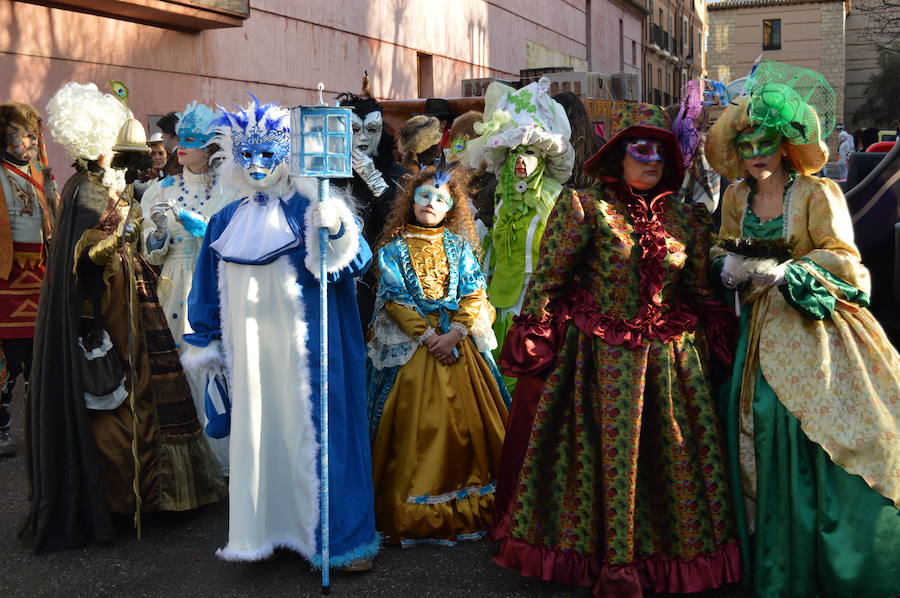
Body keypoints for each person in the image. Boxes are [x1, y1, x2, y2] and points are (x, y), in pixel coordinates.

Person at [492, 102, 740, 597]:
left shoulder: (687, 217)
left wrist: (720, 330)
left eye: (660, 153)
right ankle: (600, 559)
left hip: (669, 363)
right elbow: (549, 278)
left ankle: (665, 559)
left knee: (670, 453)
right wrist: (536, 332)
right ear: (618, 156)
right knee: (599, 458)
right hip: (598, 361)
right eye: (640, 150)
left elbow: (697, 289)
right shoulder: (586, 206)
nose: (651, 161)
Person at [705, 61, 900, 598]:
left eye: (765, 143)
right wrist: (729, 265)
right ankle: (771, 551)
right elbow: (724, 244)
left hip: (815, 325)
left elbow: (843, 259)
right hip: (758, 328)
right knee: (754, 417)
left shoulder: (819, 194)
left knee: (807, 425)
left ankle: (823, 557)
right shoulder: (737, 198)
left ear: (787, 143)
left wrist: (789, 269)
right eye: (746, 147)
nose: (756, 155)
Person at [22, 82, 226, 553]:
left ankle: (160, 494)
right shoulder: (87, 192)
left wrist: (131, 226)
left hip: (133, 300)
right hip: (112, 310)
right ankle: (121, 498)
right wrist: (128, 227)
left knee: (156, 388)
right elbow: (87, 256)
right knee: (121, 399)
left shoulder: (100, 188)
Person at [183, 97, 379, 569]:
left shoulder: (315, 207)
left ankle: (338, 541)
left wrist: (337, 230)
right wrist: (207, 342)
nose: (256, 165)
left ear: (286, 156)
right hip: (251, 355)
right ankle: (269, 533)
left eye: (267, 154)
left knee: (317, 437)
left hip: (310, 355)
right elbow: (206, 288)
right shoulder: (225, 221)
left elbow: (359, 263)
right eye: (246, 155)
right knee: (262, 435)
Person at [367, 163, 510, 547]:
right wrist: (430, 337)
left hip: (457, 341)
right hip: (415, 344)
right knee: (413, 426)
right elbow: (395, 298)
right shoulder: (392, 249)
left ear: (452, 208)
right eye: (424, 196)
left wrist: (457, 332)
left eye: (440, 199)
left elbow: (474, 291)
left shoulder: (460, 247)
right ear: (411, 200)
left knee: (472, 425)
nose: (431, 204)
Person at [466, 78, 574, 393]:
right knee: (500, 379)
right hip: (502, 304)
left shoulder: (558, 198)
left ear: (544, 156)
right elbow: (496, 252)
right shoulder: (501, 199)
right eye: (515, 152)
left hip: (544, 309)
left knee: (535, 384)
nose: (522, 161)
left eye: (530, 152)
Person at [141, 101, 232, 473]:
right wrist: (159, 232)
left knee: (219, 369)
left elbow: (234, 238)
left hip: (219, 288)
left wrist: (204, 227)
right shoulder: (159, 190)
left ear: (209, 148)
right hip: (176, 289)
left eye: (192, 141)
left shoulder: (230, 190)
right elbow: (151, 252)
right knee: (180, 370)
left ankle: (224, 460)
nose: (182, 147)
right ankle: (188, 468)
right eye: (181, 139)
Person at [0, 101, 57, 457]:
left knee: (40, 358)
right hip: (5, 277)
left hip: (39, 274)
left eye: (35, 136)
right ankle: (2, 425)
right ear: (5, 140)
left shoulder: (41, 174)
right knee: (7, 357)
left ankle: (42, 424)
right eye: (25, 137)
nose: (33, 143)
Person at [335, 78, 406, 328]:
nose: (363, 138)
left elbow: (401, 225)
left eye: (371, 130)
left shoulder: (396, 174)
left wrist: (376, 182)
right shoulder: (326, 176)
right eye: (355, 131)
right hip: (337, 272)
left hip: (380, 276)